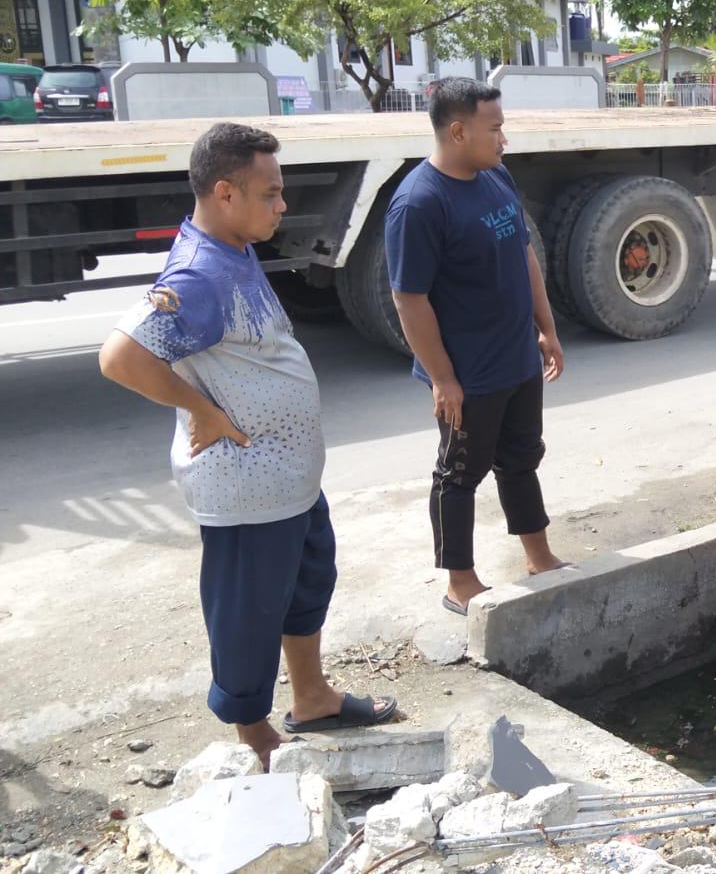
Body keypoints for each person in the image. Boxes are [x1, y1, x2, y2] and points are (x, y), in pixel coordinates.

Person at [99, 122, 397, 767]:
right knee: (247, 610)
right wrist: (198, 407)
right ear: (227, 192)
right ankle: (253, 735)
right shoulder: (200, 273)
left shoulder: (232, 249)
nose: (282, 206)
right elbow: (120, 357)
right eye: (272, 193)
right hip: (246, 485)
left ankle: (312, 696)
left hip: (286, 478)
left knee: (306, 583)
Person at [386, 78, 567, 617]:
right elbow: (409, 299)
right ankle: (460, 582)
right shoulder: (418, 204)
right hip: (469, 373)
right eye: (495, 129)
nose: (504, 138)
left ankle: (539, 555)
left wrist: (547, 328)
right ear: (458, 131)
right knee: (459, 473)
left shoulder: (496, 176)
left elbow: (524, 255)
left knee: (521, 459)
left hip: (516, 359)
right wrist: (443, 378)